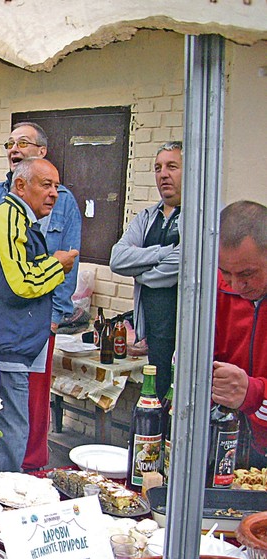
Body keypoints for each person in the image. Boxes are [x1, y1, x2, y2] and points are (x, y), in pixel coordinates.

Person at [0, 121, 82, 470]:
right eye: (47, 185)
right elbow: (15, 282)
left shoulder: (19, 216)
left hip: (17, 338)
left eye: (57, 186)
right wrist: (57, 265)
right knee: (8, 427)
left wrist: (52, 318)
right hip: (6, 340)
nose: (54, 194)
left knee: (12, 424)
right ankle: (1, 499)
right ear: (21, 185)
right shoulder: (7, 214)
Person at [110, 141, 182, 400]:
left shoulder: (196, 217)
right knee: (158, 395)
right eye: (158, 168)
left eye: (172, 166)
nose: (163, 174)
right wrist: (162, 253)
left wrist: (141, 272)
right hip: (153, 332)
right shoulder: (147, 217)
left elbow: (182, 264)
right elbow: (118, 259)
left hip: (185, 334)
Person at [213, 200, 267, 468]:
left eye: (247, 274)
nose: (236, 285)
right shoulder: (219, 288)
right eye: (226, 273)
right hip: (231, 441)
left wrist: (255, 393)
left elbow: (250, 393)